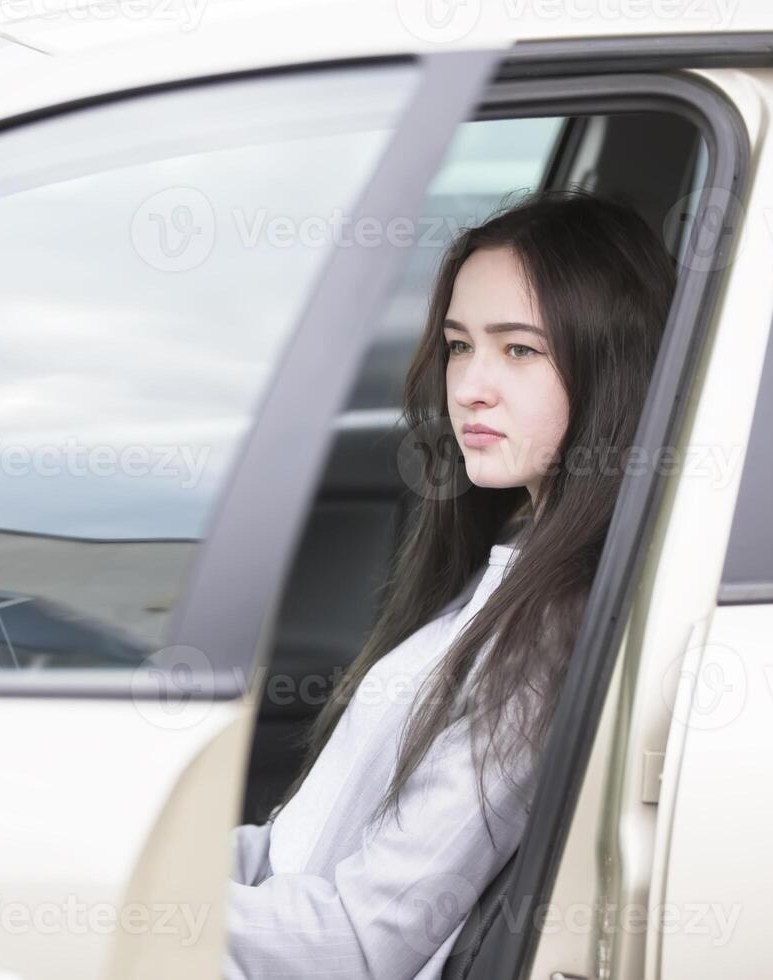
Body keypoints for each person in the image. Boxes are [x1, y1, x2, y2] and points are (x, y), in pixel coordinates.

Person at [224, 190, 676, 979]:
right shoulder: (507, 569)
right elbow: (295, 848)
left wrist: (119, 901)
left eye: (520, 351)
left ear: (611, 365)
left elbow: (361, 945)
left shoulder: (558, 624)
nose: (468, 386)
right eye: (460, 345)